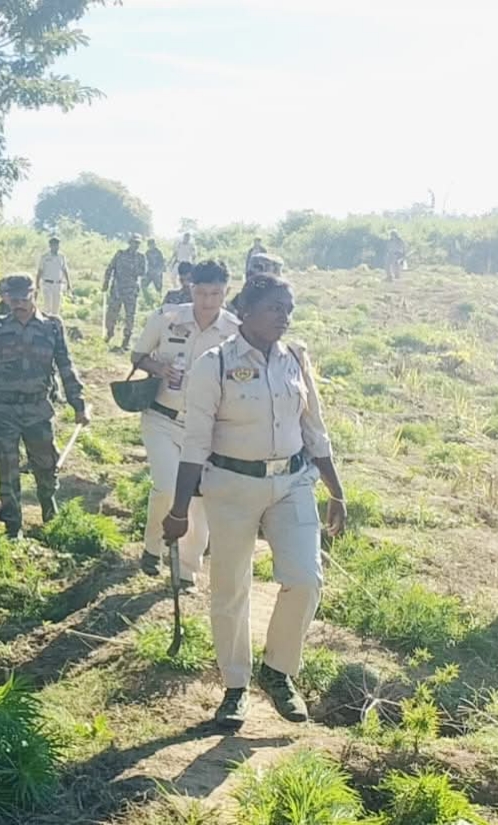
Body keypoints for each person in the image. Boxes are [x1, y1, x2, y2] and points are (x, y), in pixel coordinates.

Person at [163, 273, 348, 732]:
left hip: (292, 482)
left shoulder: (295, 358)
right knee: (231, 588)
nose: (284, 317)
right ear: (244, 311)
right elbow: (194, 442)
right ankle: (235, 686)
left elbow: (314, 428)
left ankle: (278, 670)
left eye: (289, 309)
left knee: (305, 580)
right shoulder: (214, 364)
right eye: (274, 308)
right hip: (231, 486)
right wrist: (179, 510)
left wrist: (336, 491)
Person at [130, 260, 241, 588]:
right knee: (167, 487)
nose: (208, 301)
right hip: (162, 417)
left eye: (216, 294)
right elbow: (137, 356)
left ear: (226, 291)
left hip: (206, 428)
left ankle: (187, 569)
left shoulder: (235, 331)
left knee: (199, 497)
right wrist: (159, 369)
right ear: (191, 288)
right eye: (202, 293)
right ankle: (153, 547)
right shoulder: (167, 318)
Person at [0, 275, 89, 538]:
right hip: (4, 408)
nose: (18, 304)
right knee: (7, 467)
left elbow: (65, 366)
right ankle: (13, 526)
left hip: (38, 408)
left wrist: (78, 404)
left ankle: (48, 505)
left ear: (33, 295)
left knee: (46, 463)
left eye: (23, 299)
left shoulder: (51, 327)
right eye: (12, 300)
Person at [104, 234, 148, 351]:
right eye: (134, 242)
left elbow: (143, 272)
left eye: (138, 243)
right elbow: (110, 268)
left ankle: (126, 339)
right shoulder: (120, 254)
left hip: (131, 290)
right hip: (117, 289)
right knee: (112, 313)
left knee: (130, 316)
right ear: (129, 243)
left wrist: (133, 269)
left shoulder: (141, 257)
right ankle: (109, 333)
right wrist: (106, 282)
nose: (135, 245)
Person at [36, 236, 72, 317]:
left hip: (58, 284)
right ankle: (47, 321)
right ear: (50, 246)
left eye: (57, 245)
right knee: (48, 305)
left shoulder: (61, 257)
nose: (56, 247)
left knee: (56, 306)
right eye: (54, 245)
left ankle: (55, 321)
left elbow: (65, 270)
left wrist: (68, 283)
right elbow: (40, 271)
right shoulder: (45, 257)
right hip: (47, 283)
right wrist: (37, 283)